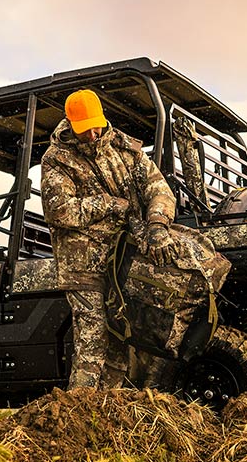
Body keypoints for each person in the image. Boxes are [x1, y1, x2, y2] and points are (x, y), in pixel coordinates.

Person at [40, 89, 184, 389]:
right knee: (93, 342)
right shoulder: (56, 160)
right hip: (83, 267)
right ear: (71, 124)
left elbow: (158, 189)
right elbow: (60, 211)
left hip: (122, 263)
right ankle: (77, 412)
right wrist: (108, 204)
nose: (92, 135)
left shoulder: (125, 149)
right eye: (84, 130)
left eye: (95, 126)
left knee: (121, 339)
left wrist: (157, 224)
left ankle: (105, 413)